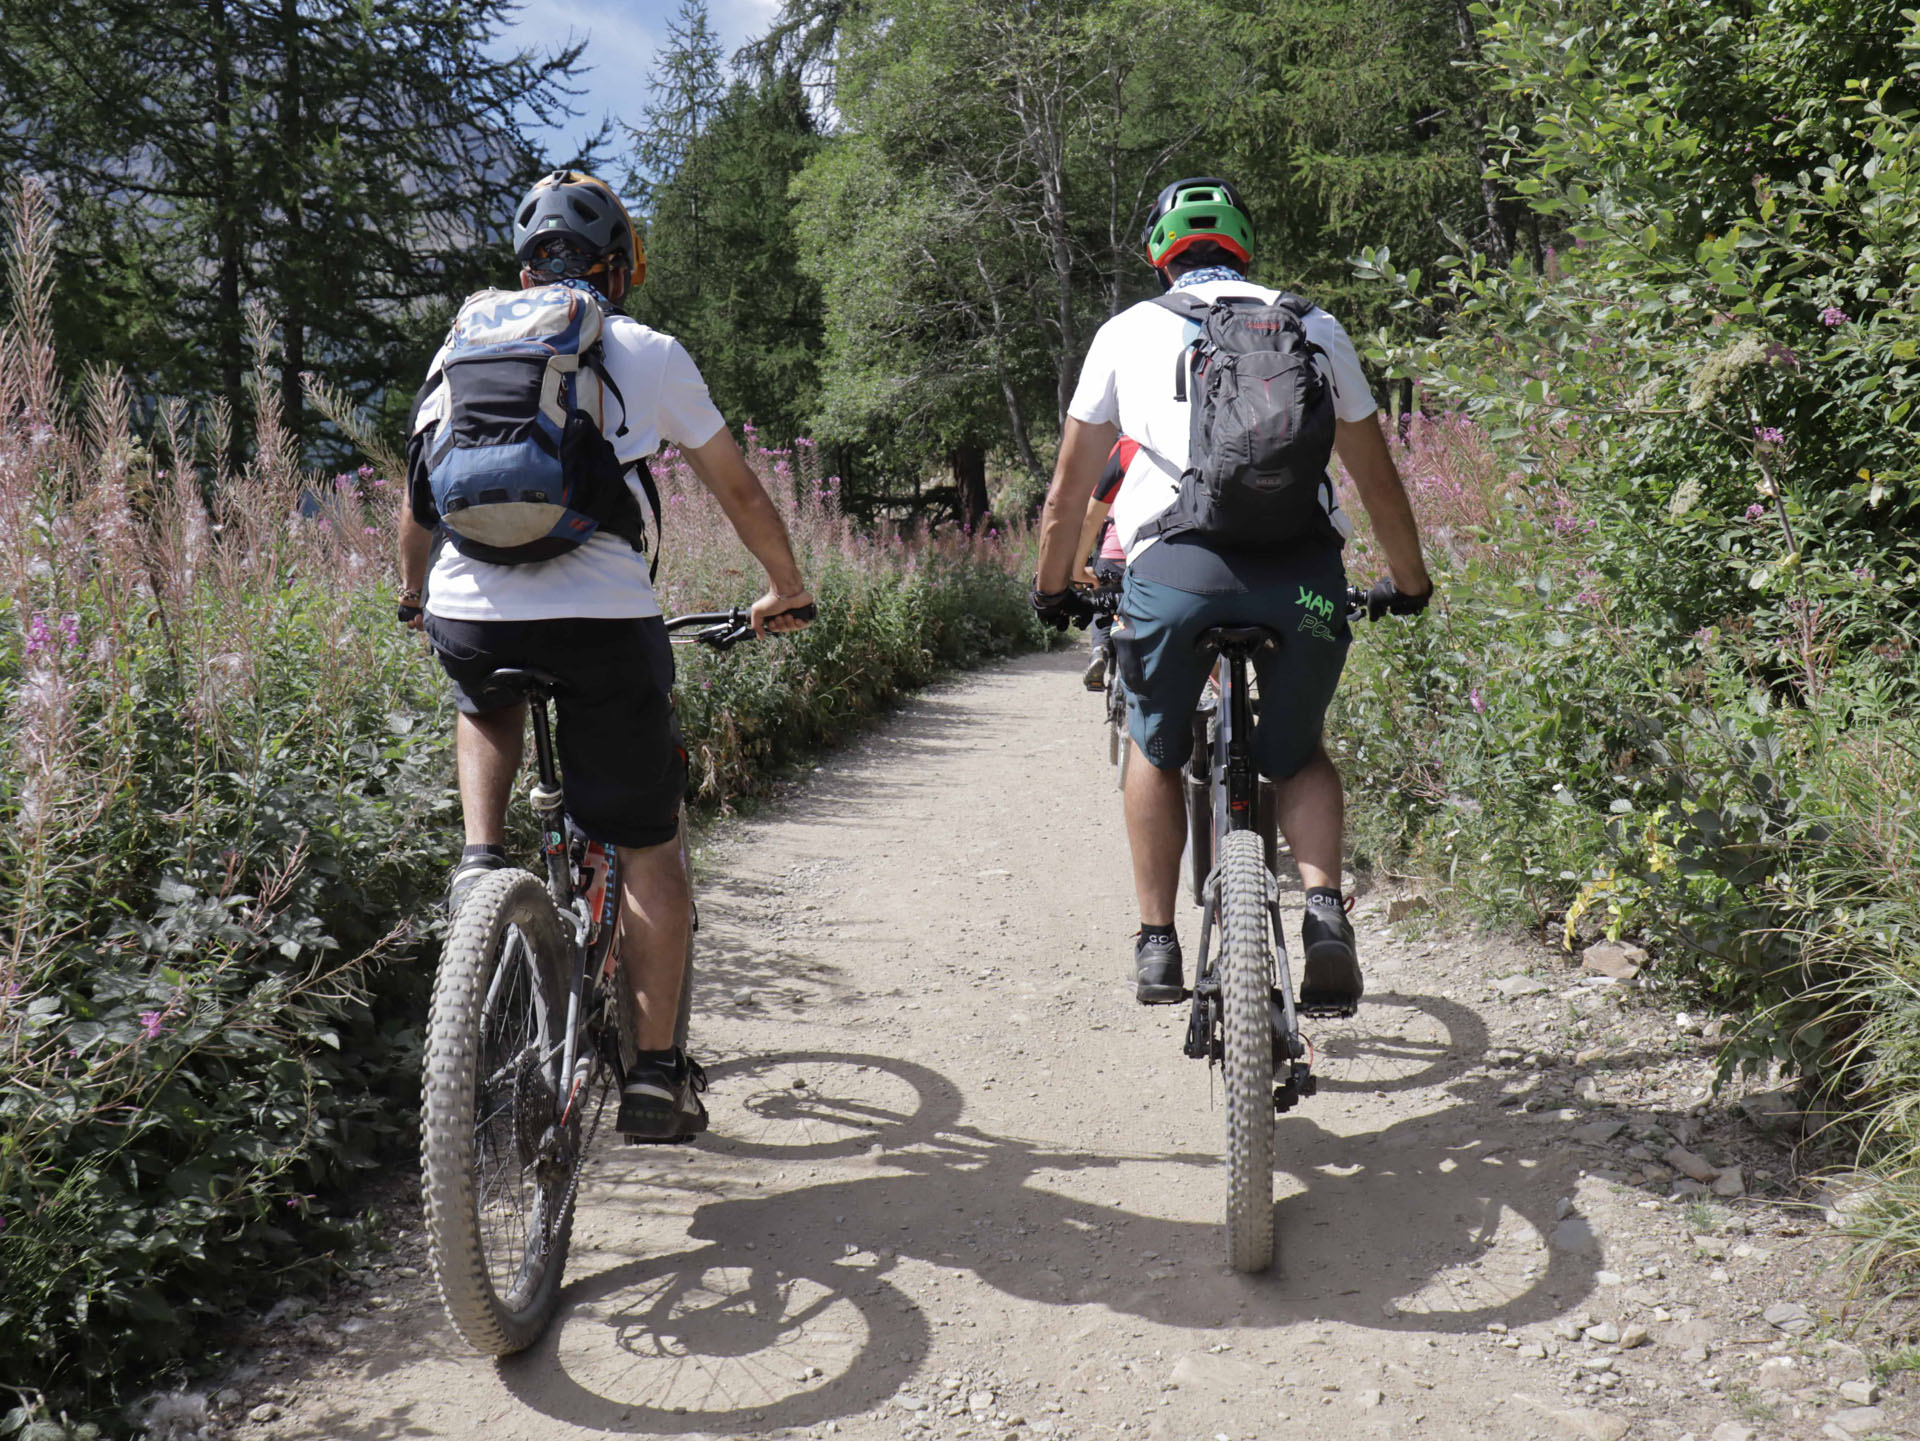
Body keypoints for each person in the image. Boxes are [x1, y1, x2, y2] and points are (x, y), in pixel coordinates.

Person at [395, 170, 816, 1141]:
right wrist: (785, 587)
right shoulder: (646, 351)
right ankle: (656, 1077)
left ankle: (479, 858)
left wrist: (417, 598)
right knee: (649, 846)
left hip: (470, 606)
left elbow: (421, 496)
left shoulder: (462, 344)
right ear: (618, 268)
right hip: (603, 619)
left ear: (525, 267)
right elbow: (739, 489)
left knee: (485, 696)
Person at [1030, 176, 1432, 1011]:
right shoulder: (1315, 325)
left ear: (1160, 254)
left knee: (1156, 749)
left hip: (1173, 580)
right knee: (1301, 753)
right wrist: (1408, 581)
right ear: (1243, 247)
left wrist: (1053, 589)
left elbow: (1069, 494)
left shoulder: (1125, 332)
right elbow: (1378, 481)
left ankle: (1157, 943)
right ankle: (1323, 909)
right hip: (1304, 585)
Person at [1074, 436, 1138, 691]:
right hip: (1145, 555)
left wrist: (1081, 564)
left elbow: (1093, 524)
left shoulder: (1113, 478)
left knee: (1102, 603)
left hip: (1111, 557)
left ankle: (1099, 651)